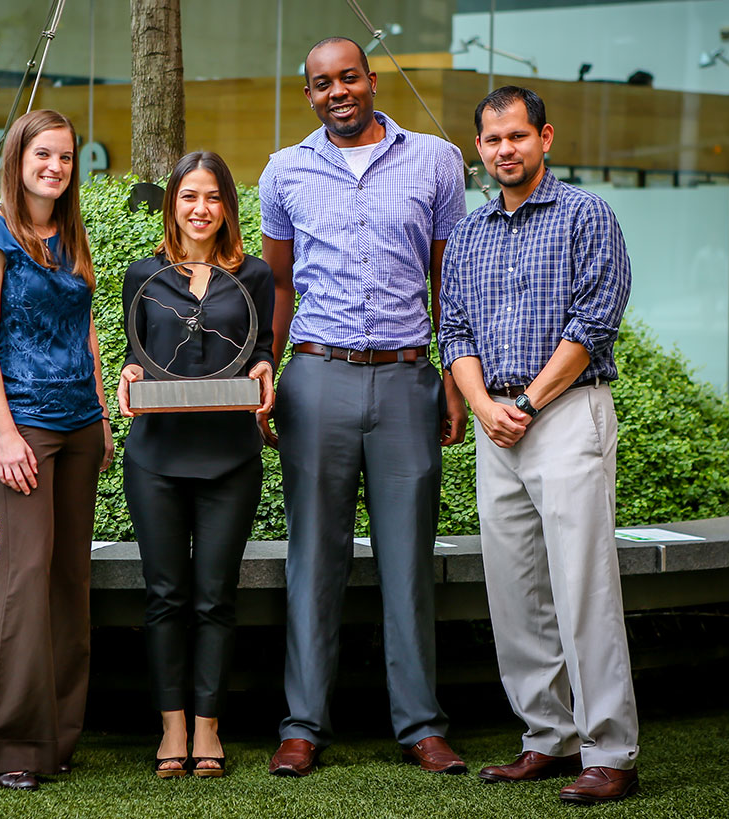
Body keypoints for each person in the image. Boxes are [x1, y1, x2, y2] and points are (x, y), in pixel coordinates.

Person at [258, 36, 470, 778]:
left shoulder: (437, 161)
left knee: (408, 560)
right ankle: (302, 725)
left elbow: (451, 279)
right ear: (309, 93)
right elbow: (278, 287)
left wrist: (454, 375)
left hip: (409, 378)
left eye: (349, 77)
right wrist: (266, 371)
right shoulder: (284, 171)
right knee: (313, 559)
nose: (337, 91)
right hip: (317, 378)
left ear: (371, 80)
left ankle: (420, 725)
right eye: (322, 83)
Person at [438, 86, 639, 805]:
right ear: (480, 149)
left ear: (545, 138)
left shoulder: (587, 215)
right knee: (515, 588)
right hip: (497, 423)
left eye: (517, 137)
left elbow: (596, 319)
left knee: (583, 585)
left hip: (562, 415)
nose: (504, 151)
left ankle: (610, 749)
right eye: (491, 141)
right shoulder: (469, 232)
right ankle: (545, 737)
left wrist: (524, 402)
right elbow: (452, 329)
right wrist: (485, 405)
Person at [0, 108, 114, 793]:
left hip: (81, 425)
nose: (55, 166)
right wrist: (7, 432)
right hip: (25, 425)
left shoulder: (72, 234)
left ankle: (58, 735)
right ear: (18, 159)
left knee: (68, 577)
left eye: (66, 157)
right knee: (25, 574)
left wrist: (104, 416)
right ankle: (11, 745)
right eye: (43, 154)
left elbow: (88, 334)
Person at [117, 151, 276, 779]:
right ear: (172, 205)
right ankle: (171, 727)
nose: (200, 209)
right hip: (155, 456)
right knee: (164, 597)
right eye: (189, 197)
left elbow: (261, 352)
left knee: (215, 597)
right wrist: (129, 376)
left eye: (212, 197)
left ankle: (208, 727)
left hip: (230, 456)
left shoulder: (255, 275)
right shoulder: (143, 275)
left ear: (227, 208)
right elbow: (138, 357)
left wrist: (266, 373)